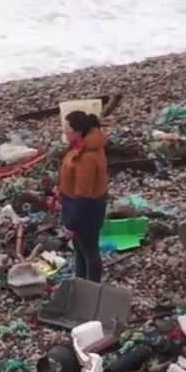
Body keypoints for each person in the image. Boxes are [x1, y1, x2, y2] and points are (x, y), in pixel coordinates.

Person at [58, 111, 109, 282]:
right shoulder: (81, 146)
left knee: (89, 253)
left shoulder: (87, 156)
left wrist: (71, 224)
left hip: (85, 211)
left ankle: (92, 289)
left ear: (78, 131)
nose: (64, 132)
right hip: (77, 206)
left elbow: (83, 194)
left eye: (67, 129)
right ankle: (80, 284)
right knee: (80, 251)